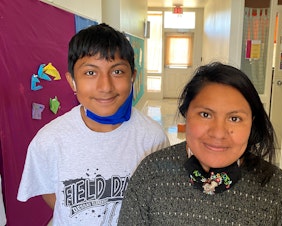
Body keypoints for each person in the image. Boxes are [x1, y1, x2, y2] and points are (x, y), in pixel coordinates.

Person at [118, 62, 282, 225]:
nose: (218, 133)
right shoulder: (152, 174)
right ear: (186, 114)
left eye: (234, 118)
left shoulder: (276, 188)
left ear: (252, 122)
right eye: (205, 114)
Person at [17, 23, 170, 225]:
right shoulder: (49, 140)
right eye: (90, 73)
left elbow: (158, 198)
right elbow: (50, 193)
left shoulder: (152, 137)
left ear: (133, 77)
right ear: (72, 81)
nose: (105, 87)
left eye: (117, 72)